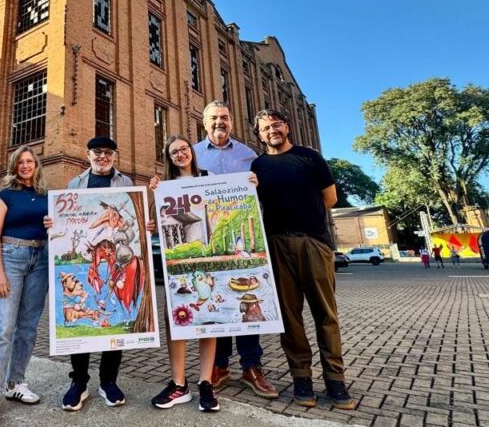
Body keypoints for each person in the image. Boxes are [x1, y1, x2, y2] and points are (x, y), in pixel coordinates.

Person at [251, 109, 358, 410]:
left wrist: (306, 219)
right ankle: (302, 380)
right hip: (276, 244)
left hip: (313, 242)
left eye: (276, 125)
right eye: (265, 128)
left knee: (325, 314)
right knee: (289, 317)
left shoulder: (310, 158)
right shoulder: (258, 165)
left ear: (286, 127)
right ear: (259, 135)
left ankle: (336, 382)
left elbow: (330, 198)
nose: (272, 130)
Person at [192, 101, 277, 398]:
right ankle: (220, 365)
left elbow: (264, 195)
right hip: (209, 242)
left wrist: (258, 183)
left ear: (232, 122)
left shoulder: (249, 155)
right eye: (214, 118)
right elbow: (180, 188)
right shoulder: (193, 154)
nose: (220, 122)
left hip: (243, 239)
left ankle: (252, 366)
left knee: (248, 299)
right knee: (220, 303)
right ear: (204, 122)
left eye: (225, 118)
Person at [58, 136, 133, 412]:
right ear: (87, 154)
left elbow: (128, 223)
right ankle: (79, 381)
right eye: (97, 152)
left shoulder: (125, 183)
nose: (102, 156)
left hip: (114, 256)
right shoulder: (75, 183)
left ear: (115, 156)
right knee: (84, 308)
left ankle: (108, 381)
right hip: (89, 257)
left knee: (112, 313)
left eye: (108, 152)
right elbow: (69, 221)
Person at [147, 134, 219, 412]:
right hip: (175, 261)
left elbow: (226, 204)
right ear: (168, 157)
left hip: (206, 255)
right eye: (174, 151)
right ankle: (179, 384)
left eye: (184, 149)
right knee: (175, 318)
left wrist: (249, 186)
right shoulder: (164, 185)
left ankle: (205, 382)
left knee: (207, 318)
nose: (180, 154)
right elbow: (152, 223)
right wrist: (153, 195)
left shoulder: (208, 176)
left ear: (192, 151)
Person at [0, 146, 50, 426]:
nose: (25, 165)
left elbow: (55, 228)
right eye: (20, 162)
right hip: (11, 257)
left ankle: (15, 383)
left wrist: (51, 224)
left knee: (28, 327)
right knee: (3, 328)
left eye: (30, 161)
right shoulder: (5, 195)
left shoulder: (46, 195)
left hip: (40, 259)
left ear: (36, 165)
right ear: (14, 166)